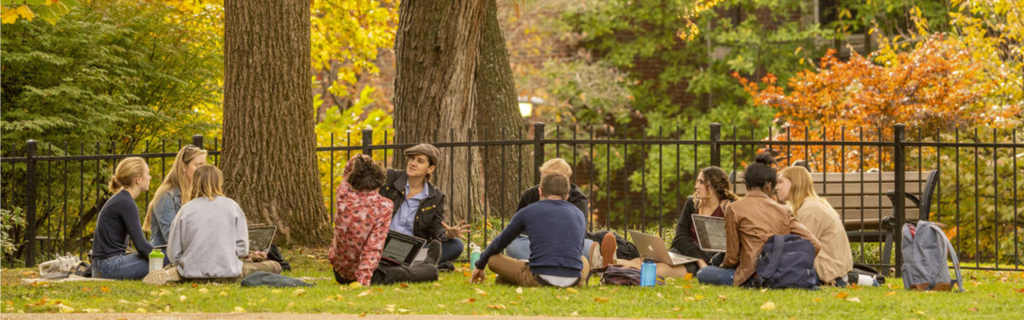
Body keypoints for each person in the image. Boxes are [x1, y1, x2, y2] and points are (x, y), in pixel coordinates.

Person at [696, 153, 821, 287]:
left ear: (747, 184)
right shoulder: (784, 210)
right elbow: (815, 244)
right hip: (777, 273)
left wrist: (722, 266)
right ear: (769, 186)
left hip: (751, 276)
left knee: (704, 273)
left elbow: (732, 258)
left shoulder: (734, 208)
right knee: (716, 260)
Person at [329, 154, 440, 286]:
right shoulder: (383, 206)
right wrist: (363, 281)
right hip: (361, 274)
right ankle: (429, 264)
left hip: (339, 272)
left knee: (390, 260)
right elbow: (372, 248)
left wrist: (363, 160)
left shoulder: (343, 193)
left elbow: (348, 168)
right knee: (411, 273)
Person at [470, 173, 589, 287]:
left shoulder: (528, 211)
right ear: (567, 195)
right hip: (574, 279)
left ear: (540, 192)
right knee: (583, 260)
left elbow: (501, 241)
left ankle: (510, 278)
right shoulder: (578, 214)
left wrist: (480, 264)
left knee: (493, 259)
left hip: (539, 278)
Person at [165, 165, 281, 281]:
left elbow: (173, 254)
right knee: (275, 266)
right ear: (219, 183)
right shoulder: (232, 206)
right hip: (228, 274)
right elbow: (242, 250)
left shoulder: (185, 210)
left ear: (194, 183)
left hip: (191, 275)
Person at [378, 144, 468, 270]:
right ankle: (422, 266)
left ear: (430, 168)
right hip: (381, 243)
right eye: (412, 159)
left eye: (420, 161)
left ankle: (400, 263)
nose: (413, 163)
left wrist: (448, 234)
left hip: (413, 249)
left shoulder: (436, 196)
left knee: (456, 245)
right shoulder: (390, 178)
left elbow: (436, 230)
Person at [777, 166, 854, 287]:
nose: (777, 187)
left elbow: (797, 249)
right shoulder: (807, 205)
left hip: (829, 274)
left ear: (795, 183)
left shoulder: (809, 210)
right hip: (830, 270)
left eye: (781, 182)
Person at [506, 158, 594, 261]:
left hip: (565, 245)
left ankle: (538, 262)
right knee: (512, 245)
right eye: (542, 177)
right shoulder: (531, 194)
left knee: (589, 246)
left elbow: (578, 232)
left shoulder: (577, 200)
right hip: (534, 244)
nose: (543, 183)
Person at [90, 157, 154, 280]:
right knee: (160, 259)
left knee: (156, 257)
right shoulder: (126, 202)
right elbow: (141, 245)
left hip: (102, 266)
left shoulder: (122, 199)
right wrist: (165, 258)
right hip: (107, 267)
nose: (150, 177)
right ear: (138, 179)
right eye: (147, 173)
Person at [670, 166, 739, 269]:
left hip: (713, 257)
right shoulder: (692, 203)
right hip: (688, 253)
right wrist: (699, 260)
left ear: (714, 187)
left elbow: (731, 242)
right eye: (697, 181)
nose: (696, 186)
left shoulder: (729, 207)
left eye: (701, 182)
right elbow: (679, 238)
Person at [144, 145, 208, 247]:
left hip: (191, 253)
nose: (203, 170)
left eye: (205, 166)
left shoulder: (199, 194)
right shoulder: (166, 195)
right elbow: (171, 239)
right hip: (165, 257)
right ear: (184, 167)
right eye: (198, 165)